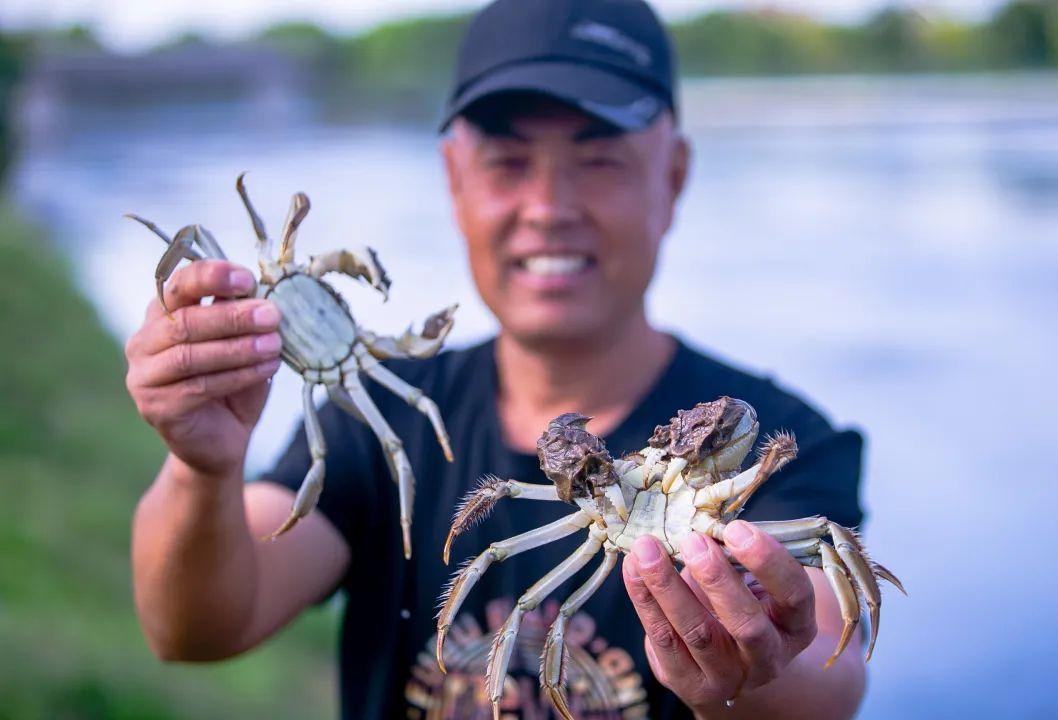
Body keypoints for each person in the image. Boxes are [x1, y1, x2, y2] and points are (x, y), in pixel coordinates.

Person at [126, 1, 869, 717]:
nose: (547, 206)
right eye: (509, 163)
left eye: (600, 160)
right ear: (455, 182)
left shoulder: (783, 442)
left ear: (672, 177)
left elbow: (829, 676)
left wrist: (749, 678)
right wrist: (203, 468)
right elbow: (193, 629)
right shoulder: (380, 422)